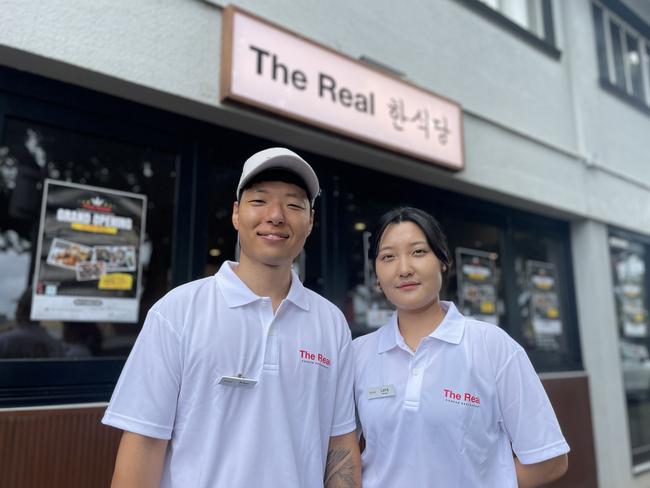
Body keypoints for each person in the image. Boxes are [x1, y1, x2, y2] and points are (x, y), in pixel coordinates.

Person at [103, 148, 360, 488]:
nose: (276, 215)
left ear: (310, 221)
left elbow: (339, 444)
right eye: (259, 201)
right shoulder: (177, 311)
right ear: (237, 214)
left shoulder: (330, 322)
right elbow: (144, 443)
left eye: (294, 205)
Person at [353, 207, 569, 488]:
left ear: (444, 261)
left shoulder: (492, 346)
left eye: (418, 252)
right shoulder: (359, 354)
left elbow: (549, 460)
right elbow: (339, 451)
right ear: (377, 274)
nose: (404, 268)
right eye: (388, 257)